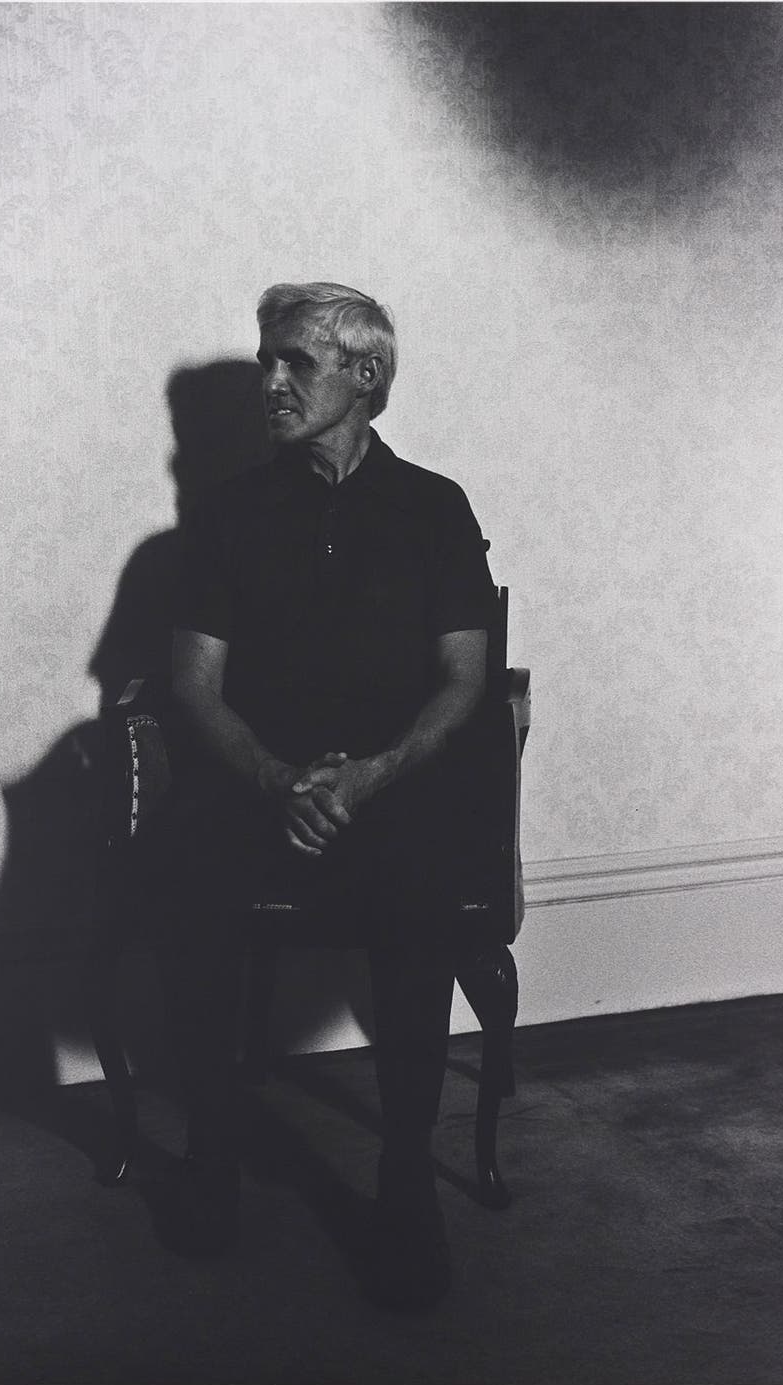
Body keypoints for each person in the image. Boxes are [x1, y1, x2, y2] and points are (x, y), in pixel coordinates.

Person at [141, 281, 499, 1310]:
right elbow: (192, 685)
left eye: (295, 360)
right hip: (260, 786)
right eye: (266, 360)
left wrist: (372, 774)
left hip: (391, 788)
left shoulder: (435, 507)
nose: (272, 380)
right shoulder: (228, 514)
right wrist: (273, 779)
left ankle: (405, 1183)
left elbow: (465, 677)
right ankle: (211, 1157)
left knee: (422, 885)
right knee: (187, 874)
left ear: (366, 374)